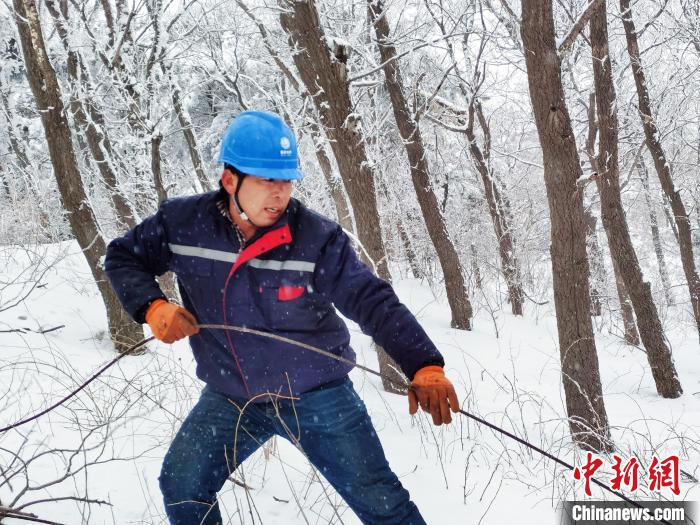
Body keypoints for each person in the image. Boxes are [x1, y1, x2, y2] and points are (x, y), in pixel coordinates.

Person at [104, 110, 460, 525]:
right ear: (230, 180)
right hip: (232, 396)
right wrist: (153, 306)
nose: (279, 195)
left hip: (318, 394)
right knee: (182, 485)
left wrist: (424, 364)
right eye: (266, 181)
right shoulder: (183, 225)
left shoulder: (315, 238)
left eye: (286, 181)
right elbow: (122, 256)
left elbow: (371, 300)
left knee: (383, 504)